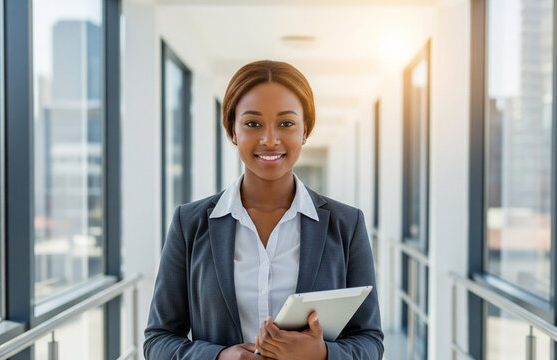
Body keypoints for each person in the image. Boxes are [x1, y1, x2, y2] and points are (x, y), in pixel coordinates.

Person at [144, 60, 383, 360]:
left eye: (286, 123)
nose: (270, 139)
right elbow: (158, 340)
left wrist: (322, 354)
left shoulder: (346, 225)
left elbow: (370, 340)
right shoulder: (189, 225)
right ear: (233, 130)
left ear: (305, 130)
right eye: (253, 123)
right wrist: (219, 358)